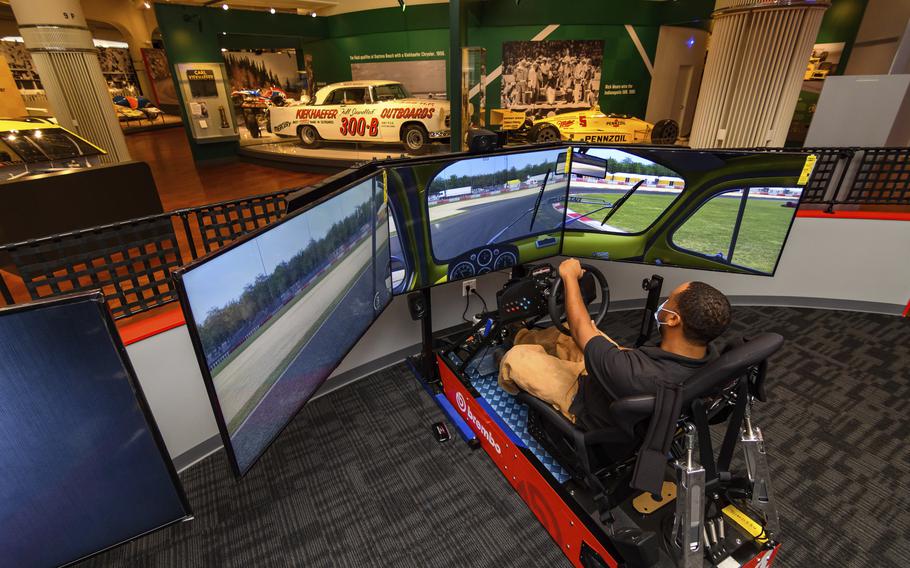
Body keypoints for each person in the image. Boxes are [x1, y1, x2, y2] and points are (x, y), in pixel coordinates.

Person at [498, 258, 731, 431]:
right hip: (622, 379)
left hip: (586, 402)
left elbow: (582, 329)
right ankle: (518, 334)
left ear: (672, 319)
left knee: (517, 357)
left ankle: (510, 366)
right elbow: (580, 333)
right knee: (565, 334)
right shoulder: (709, 358)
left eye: (669, 300)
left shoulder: (632, 373)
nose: (664, 302)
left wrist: (569, 277)